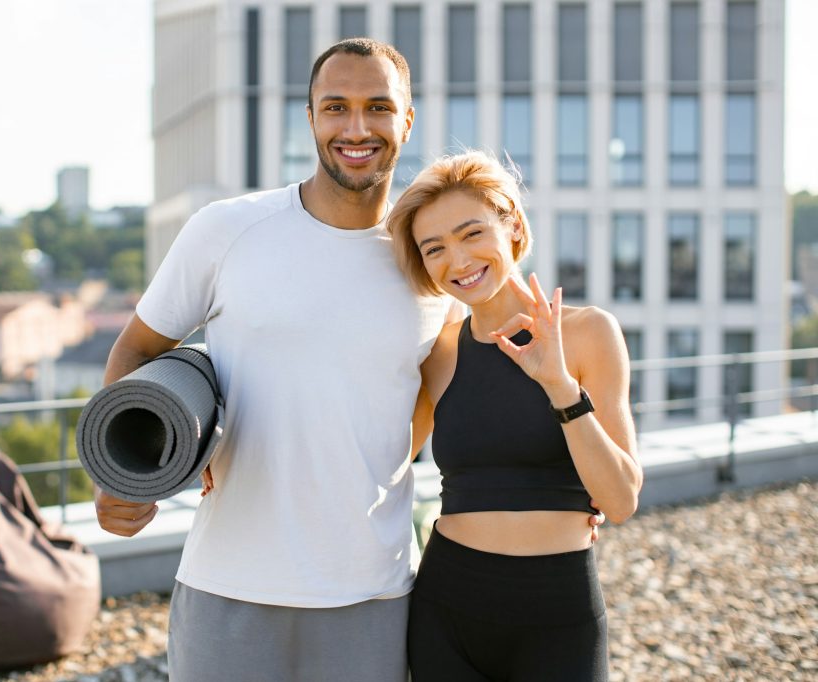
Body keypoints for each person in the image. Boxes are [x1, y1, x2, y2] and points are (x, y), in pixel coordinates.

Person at [94, 40, 601, 681]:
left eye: (377, 108)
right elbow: (139, 348)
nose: (356, 128)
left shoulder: (429, 265)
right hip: (229, 581)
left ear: (406, 121)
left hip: (373, 594)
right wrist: (122, 475)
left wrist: (563, 490)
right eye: (336, 107)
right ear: (311, 118)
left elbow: (437, 404)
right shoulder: (225, 230)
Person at [387, 151, 643, 681]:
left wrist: (559, 386)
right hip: (447, 606)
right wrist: (219, 452)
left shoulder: (589, 332)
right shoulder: (440, 351)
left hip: (558, 611)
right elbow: (381, 460)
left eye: (471, 233)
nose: (458, 261)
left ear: (513, 226)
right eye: (434, 248)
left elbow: (619, 500)